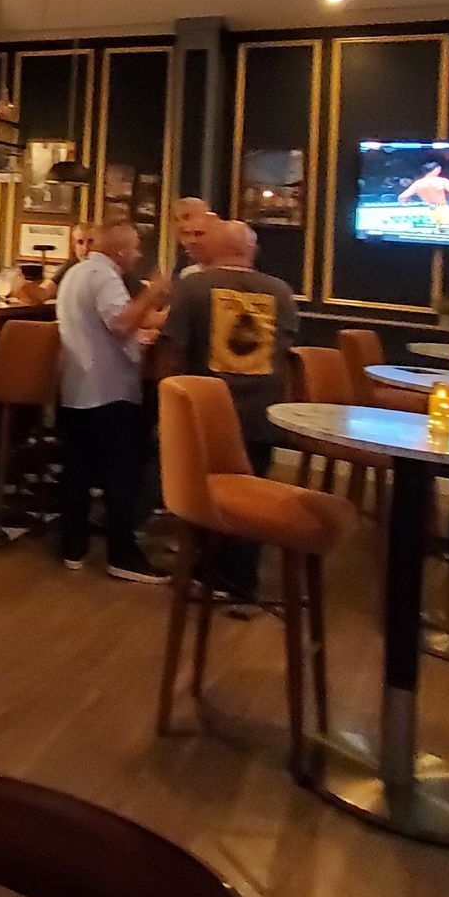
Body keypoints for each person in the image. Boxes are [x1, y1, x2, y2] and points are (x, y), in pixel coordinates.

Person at [160, 219, 298, 598]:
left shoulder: (193, 288)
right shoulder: (282, 292)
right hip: (261, 411)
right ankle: (240, 577)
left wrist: (165, 407)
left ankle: (206, 571)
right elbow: (284, 353)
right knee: (252, 493)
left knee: (204, 496)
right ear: (251, 250)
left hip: (204, 411)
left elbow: (174, 350)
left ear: (218, 248)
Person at [55, 220, 170, 582]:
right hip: (108, 389)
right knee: (122, 473)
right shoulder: (104, 275)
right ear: (120, 251)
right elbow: (120, 323)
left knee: (77, 470)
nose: (138, 254)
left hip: (76, 387)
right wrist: (153, 293)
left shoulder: (76, 273)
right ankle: (122, 554)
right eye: (135, 247)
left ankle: (72, 547)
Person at [172, 197, 215, 275]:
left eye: (186, 217)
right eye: (176, 219)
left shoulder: (219, 247)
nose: (181, 223)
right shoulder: (182, 254)